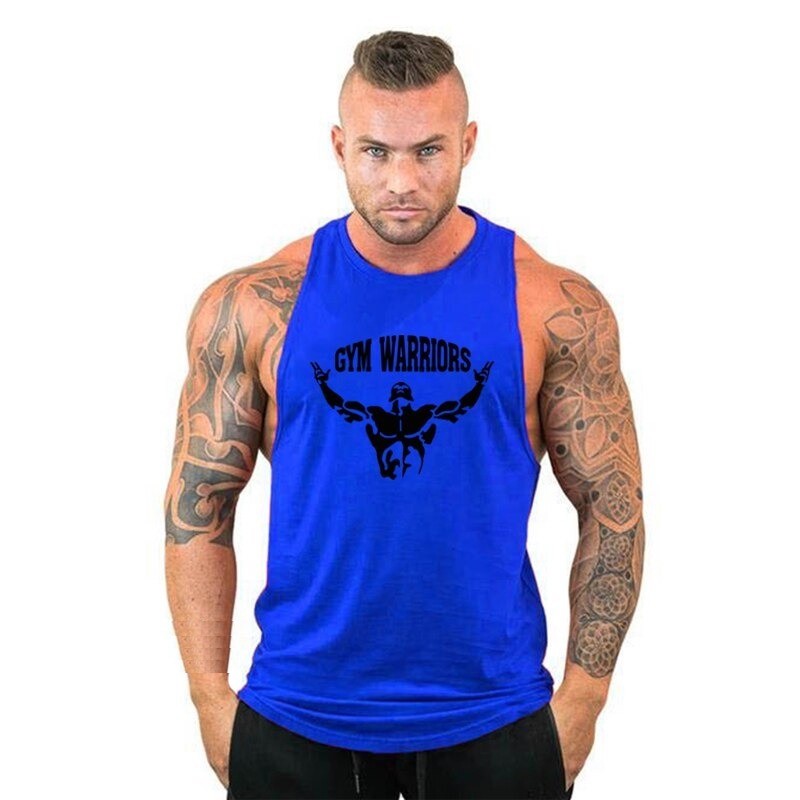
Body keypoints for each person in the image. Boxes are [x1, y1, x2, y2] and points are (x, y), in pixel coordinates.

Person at [164, 29, 645, 800]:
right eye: (375, 152)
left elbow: (613, 509)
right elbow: (199, 504)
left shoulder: (551, 305)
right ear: (339, 147)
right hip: (295, 715)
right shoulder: (255, 304)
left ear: (467, 144)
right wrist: (210, 699)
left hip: (494, 718)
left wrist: (583, 703)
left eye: (428, 151)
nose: (401, 181)